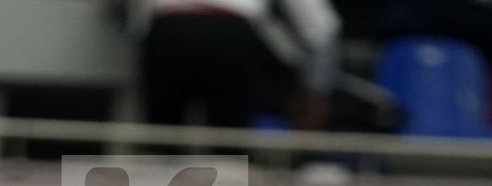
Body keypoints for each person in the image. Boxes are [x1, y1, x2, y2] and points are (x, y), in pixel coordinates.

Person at [131, 0, 342, 131]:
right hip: (231, 35)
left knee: (162, 142)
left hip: (168, 32)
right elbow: (320, 27)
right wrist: (315, 91)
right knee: (229, 144)